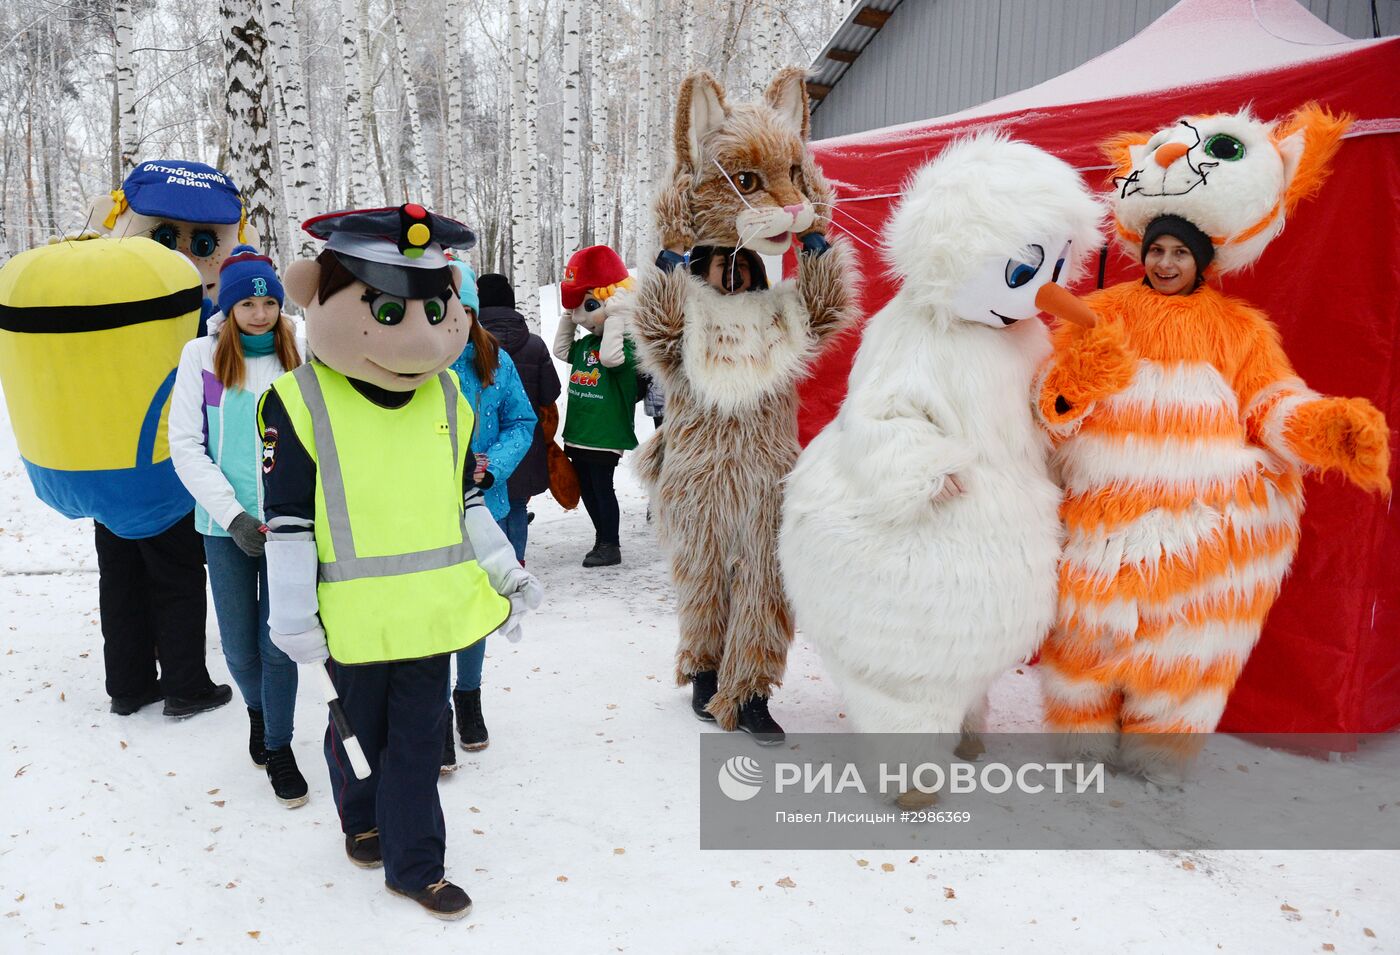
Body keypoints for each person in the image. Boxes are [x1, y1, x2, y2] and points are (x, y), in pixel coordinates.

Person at [261, 204, 541, 921]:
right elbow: (288, 521)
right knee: (355, 730)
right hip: (349, 620)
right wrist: (292, 615)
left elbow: (466, 500)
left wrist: (504, 570)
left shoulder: (449, 394)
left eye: (436, 306)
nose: (422, 333)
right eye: (389, 308)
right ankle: (362, 818)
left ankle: (417, 862)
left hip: (427, 617)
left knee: (417, 743)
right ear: (317, 296)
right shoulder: (294, 401)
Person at [169, 245, 308, 806]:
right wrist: (233, 514)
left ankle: (279, 746)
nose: (259, 313)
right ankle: (258, 711)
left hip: (290, 524)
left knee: (280, 643)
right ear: (229, 308)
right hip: (223, 525)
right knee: (239, 649)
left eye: (268, 301)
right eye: (247, 303)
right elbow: (185, 444)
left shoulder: (300, 353)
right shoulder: (200, 358)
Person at [442, 259, 537, 764]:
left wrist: (491, 465)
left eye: (464, 310)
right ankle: (435, 712)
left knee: (477, 607)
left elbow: (521, 421)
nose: (455, 321)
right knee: (437, 610)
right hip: (427, 512)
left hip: (487, 506)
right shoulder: (413, 361)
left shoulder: (494, 359)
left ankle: (469, 697)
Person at [552, 245, 638, 568]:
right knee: (587, 487)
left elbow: (611, 358)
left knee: (602, 487)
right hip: (580, 432)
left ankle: (611, 544)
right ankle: (601, 539)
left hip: (605, 434)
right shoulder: (586, 343)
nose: (583, 317)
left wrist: (617, 317)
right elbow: (561, 350)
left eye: (589, 306)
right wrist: (568, 312)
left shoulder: (624, 345)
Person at [474, 272, 562, 559]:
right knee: (518, 505)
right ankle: (518, 561)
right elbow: (551, 391)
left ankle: (495, 565)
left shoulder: (464, 346)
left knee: (483, 507)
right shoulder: (534, 344)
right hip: (524, 441)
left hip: (481, 443)